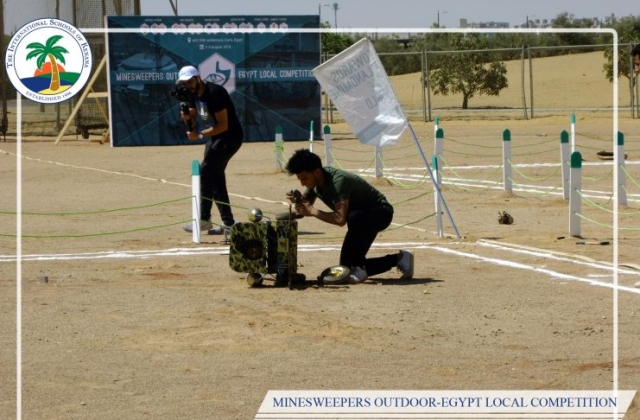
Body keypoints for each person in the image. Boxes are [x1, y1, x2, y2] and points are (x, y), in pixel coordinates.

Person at [284, 149, 414, 283]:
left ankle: (360, 268)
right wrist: (298, 201)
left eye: (304, 178)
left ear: (317, 172)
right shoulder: (316, 182)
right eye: (300, 180)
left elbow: (340, 219)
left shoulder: (338, 181)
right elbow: (306, 207)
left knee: (354, 217)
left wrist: (313, 211)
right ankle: (399, 259)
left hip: (380, 213)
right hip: (360, 220)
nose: (302, 183)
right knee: (345, 269)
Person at [176, 65, 244, 235]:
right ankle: (229, 223)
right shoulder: (192, 94)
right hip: (215, 139)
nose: (188, 85)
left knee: (205, 172)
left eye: (190, 81)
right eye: (184, 83)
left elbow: (223, 125)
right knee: (216, 177)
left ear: (198, 78)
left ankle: (204, 219)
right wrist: (187, 118)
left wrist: (199, 135)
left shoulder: (215, 93)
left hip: (230, 137)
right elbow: (192, 119)